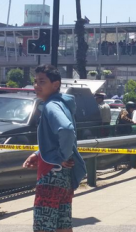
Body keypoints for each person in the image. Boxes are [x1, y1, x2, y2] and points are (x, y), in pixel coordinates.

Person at [22, 64, 86, 232]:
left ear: (56, 84)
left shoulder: (51, 106)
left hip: (50, 175)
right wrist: (39, 153)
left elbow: (66, 130)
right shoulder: (62, 104)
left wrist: (60, 156)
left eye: (42, 81)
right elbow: (59, 136)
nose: (36, 86)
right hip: (63, 178)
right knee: (63, 226)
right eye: (35, 81)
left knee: (44, 227)